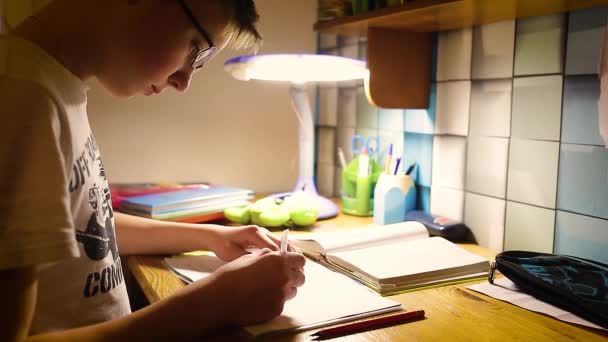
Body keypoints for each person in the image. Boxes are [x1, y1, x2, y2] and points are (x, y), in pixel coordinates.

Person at [0, 0, 306, 340]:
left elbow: (81, 227)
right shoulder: (20, 96)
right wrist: (213, 302)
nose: (184, 81)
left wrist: (209, 237)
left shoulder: (53, 85)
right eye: (195, 49)